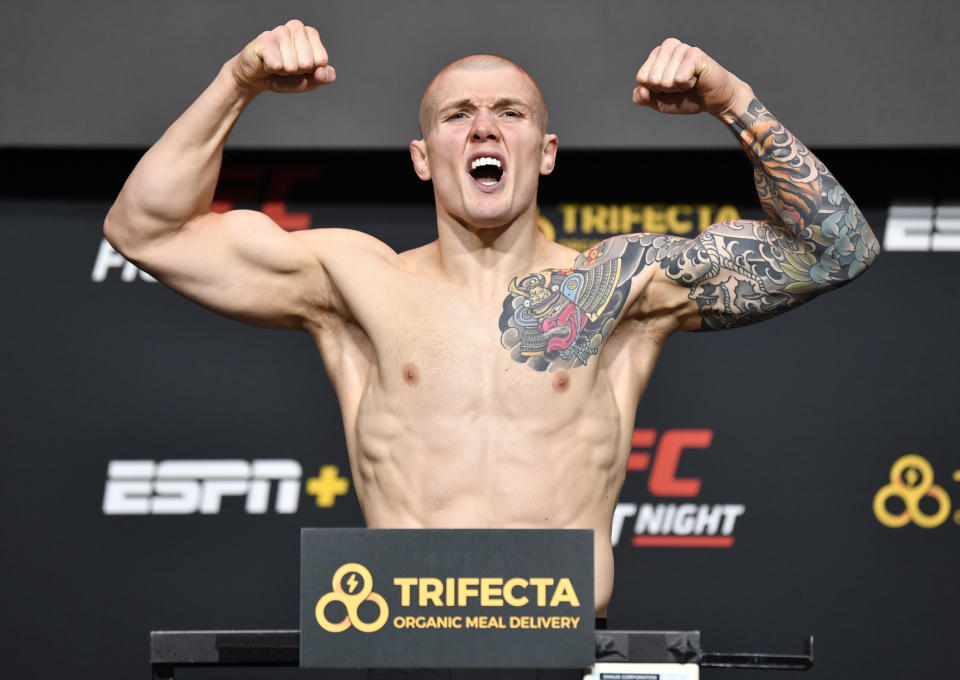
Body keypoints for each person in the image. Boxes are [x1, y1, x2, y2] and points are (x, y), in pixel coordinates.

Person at [104, 20, 878, 623]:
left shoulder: (616, 285)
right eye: (457, 116)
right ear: (420, 155)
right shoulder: (355, 281)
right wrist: (237, 81)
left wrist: (731, 99)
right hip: (396, 635)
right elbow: (147, 231)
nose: (482, 129)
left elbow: (836, 249)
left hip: (569, 641)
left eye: (508, 114)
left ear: (542, 154)